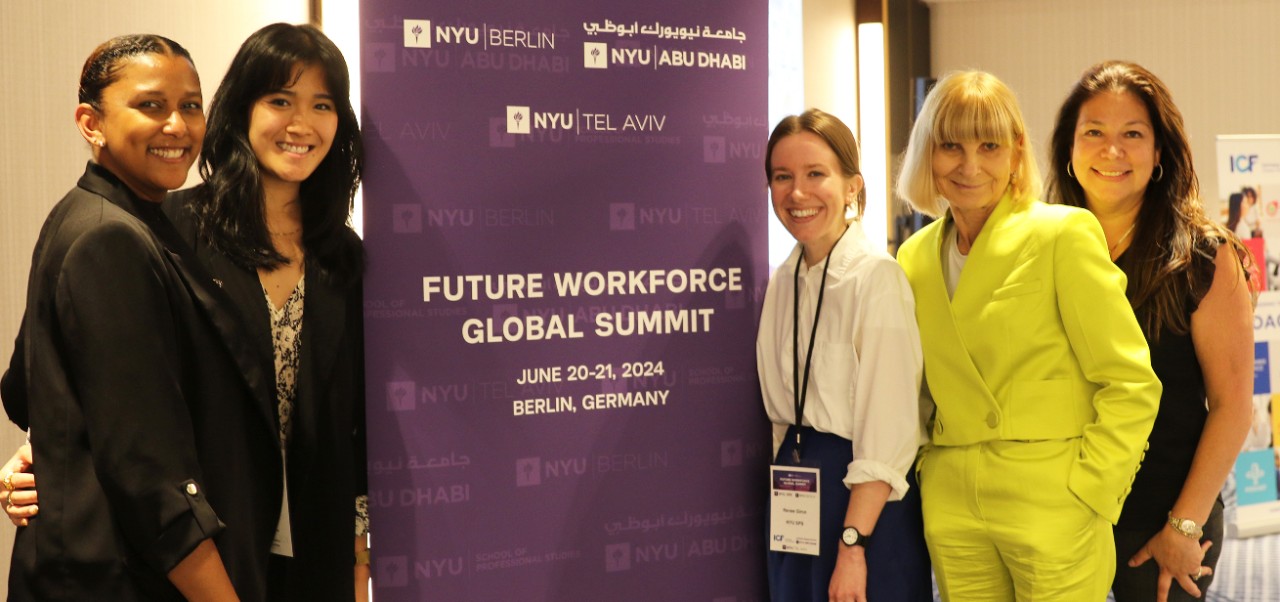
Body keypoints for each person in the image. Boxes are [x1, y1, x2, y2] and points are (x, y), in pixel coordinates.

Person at [0, 34, 282, 600]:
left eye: (191, 105)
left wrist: (57, 443)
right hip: (126, 576)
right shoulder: (110, 237)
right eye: (151, 105)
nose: (178, 126)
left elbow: (26, 388)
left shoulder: (109, 217)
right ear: (91, 122)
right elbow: (149, 477)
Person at [894, 70, 1162, 600]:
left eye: (989, 145)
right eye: (951, 146)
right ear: (928, 153)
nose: (970, 166)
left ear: (1016, 151)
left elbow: (1131, 383)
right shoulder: (913, 257)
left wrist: (1090, 493)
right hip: (953, 505)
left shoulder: (1061, 233)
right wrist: (931, 471)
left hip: (1053, 501)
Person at [167, 22, 369, 600]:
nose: (301, 124)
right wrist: (36, 452)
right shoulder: (175, 231)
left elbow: (355, 422)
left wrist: (358, 557)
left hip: (312, 548)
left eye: (322, 104)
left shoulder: (343, 256)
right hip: (204, 549)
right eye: (280, 100)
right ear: (242, 109)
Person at [1047, 60, 1255, 602]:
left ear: (1159, 153)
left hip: (1162, 523)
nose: (1111, 151)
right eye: (1093, 133)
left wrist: (1184, 527)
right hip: (1060, 518)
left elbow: (1233, 404)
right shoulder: (1040, 248)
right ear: (1069, 149)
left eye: (1132, 135)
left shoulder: (1205, 256)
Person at [758, 109, 931, 602]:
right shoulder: (783, 278)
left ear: (853, 186)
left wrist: (853, 545)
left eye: (816, 174)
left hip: (862, 506)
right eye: (782, 177)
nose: (797, 193)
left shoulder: (875, 278)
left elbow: (888, 428)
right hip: (796, 495)